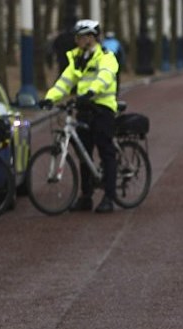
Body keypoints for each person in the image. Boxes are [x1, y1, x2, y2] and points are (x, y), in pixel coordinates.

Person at [38, 19, 120, 214]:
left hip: (102, 107)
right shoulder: (77, 58)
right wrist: (49, 98)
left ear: (91, 38)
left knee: (105, 150)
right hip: (85, 108)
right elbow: (64, 82)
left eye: (80, 37)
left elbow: (105, 77)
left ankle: (109, 197)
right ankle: (86, 196)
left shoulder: (106, 57)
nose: (77, 40)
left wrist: (91, 92)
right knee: (84, 152)